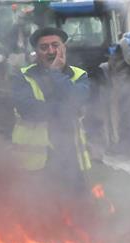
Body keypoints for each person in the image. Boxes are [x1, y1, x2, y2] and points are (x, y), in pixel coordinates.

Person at [10, 26, 92, 195]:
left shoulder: (79, 75)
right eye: (44, 47)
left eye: (55, 45)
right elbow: (29, 109)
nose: (50, 51)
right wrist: (66, 109)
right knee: (39, 215)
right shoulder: (22, 76)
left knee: (77, 213)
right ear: (36, 52)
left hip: (73, 160)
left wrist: (55, 74)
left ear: (64, 48)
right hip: (36, 164)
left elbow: (77, 99)